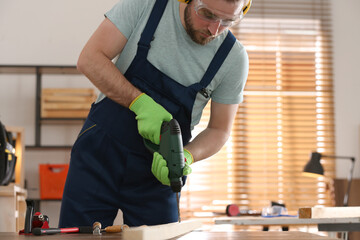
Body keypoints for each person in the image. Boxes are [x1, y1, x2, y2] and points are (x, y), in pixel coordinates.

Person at [59, 0, 251, 228]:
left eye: (228, 21)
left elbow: (219, 130)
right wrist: (138, 103)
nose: (214, 29)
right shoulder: (145, 6)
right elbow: (89, 59)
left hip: (160, 175)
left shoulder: (233, 58)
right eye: (207, 14)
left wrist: (186, 156)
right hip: (98, 157)